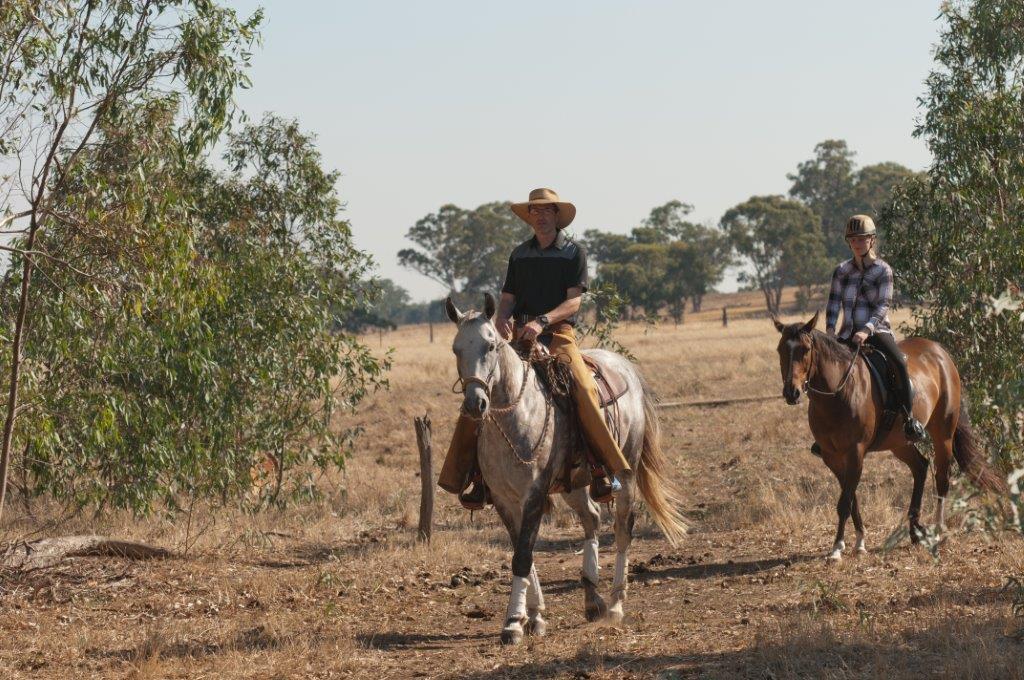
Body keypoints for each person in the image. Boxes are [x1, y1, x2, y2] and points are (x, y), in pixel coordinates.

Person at [436, 188, 633, 509]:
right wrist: (501, 321)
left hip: (558, 335)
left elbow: (574, 301)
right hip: (519, 338)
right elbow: (508, 299)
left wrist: (542, 321)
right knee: (480, 390)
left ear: (557, 215)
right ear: (530, 217)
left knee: (583, 388)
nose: (540, 216)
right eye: (534, 211)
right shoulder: (519, 254)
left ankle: (603, 469)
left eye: (546, 211)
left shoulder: (573, 253)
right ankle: (475, 475)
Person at [813, 214, 926, 454]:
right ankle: (823, 434)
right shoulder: (841, 271)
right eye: (853, 239)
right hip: (845, 334)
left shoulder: (883, 270)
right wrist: (831, 331)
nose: (857, 243)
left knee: (899, 364)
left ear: (872, 240)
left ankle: (909, 421)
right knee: (823, 372)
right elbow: (833, 304)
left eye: (862, 239)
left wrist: (866, 330)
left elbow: (883, 306)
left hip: (877, 331)